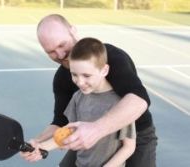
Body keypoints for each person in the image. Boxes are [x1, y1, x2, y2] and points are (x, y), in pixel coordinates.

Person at [20, 14, 157, 167]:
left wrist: (95, 130)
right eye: (51, 51)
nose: (60, 55)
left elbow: (139, 100)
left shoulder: (111, 57)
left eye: (61, 45)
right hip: (87, 135)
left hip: (135, 135)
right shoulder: (62, 78)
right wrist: (39, 143)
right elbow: (61, 122)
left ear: (73, 31)